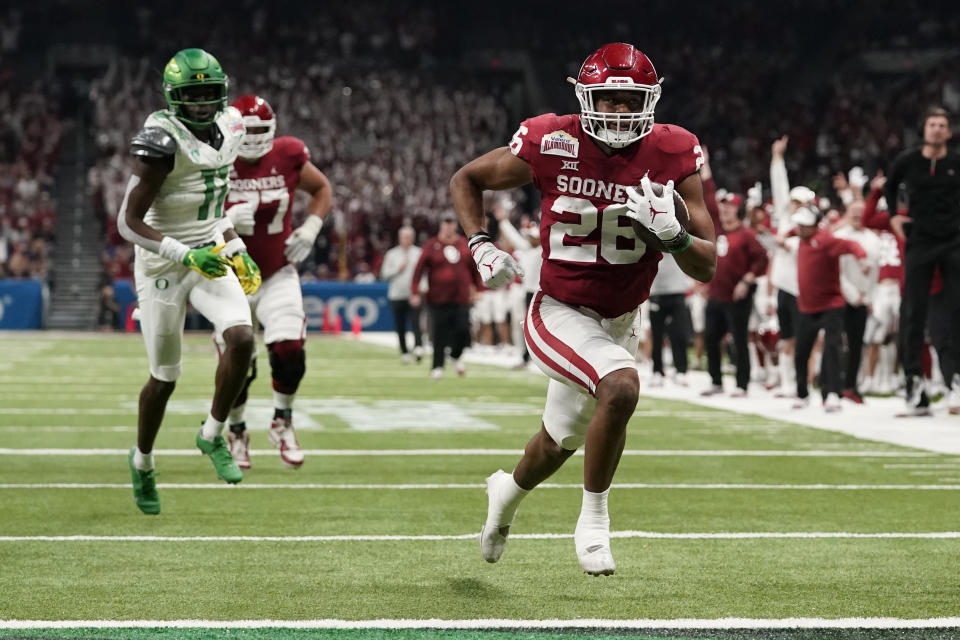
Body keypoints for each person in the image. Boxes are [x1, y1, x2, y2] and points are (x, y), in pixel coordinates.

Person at [450, 43, 716, 575]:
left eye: (629, 100)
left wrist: (676, 236)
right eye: (609, 99)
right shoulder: (551, 138)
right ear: (586, 96)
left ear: (649, 100)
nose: (618, 111)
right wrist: (480, 245)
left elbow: (707, 264)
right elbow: (467, 179)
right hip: (559, 309)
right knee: (620, 386)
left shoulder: (675, 151)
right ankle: (594, 518)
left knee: (559, 441)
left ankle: (504, 495)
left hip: (621, 318)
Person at [117, 49, 261, 514]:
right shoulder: (162, 139)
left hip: (209, 252)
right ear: (173, 98)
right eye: (191, 95)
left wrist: (235, 248)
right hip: (163, 262)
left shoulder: (233, 126)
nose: (200, 103)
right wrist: (185, 254)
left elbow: (213, 205)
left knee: (241, 338)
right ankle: (142, 462)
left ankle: (212, 434)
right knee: (164, 379)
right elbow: (128, 222)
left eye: (207, 94)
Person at [216, 94, 332, 470]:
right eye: (244, 131)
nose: (251, 139)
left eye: (259, 131)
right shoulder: (213, 158)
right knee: (238, 362)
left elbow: (321, 189)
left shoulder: (288, 154)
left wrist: (311, 227)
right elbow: (192, 216)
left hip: (276, 270)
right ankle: (236, 430)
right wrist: (227, 220)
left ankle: (282, 421)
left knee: (289, 351)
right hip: (229, 275)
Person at [884, 107, 960, 415]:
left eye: (942, 125)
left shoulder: (957, 161)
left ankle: (954, 382)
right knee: (912, 313)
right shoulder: (908, 160)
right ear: (924, 129)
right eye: (932, 124)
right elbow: (888, 188)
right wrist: (893, 218)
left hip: (955, 242)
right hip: (920, 242)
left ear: (949, 132)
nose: (937, 129)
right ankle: (915, 386)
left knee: (956, 312)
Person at [789, 207, 868, 411]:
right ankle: (802, 393)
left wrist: (862, 259)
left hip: (831, 305)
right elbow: (789, 231)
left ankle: (833, 393)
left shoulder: (827, 241)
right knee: (801, 353)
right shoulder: (802, 238)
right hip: (807, 307)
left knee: (832, 349)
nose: (799, 227)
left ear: (814, 225)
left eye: (803, 224)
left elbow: (852, 245)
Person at [700, 192, 769, 397]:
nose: (725, 209)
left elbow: (762, 259)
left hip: (737, 297)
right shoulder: (718, 232)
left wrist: (747, 280)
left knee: (739, 340)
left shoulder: (747, 234)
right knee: (711, 338)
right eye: (723, 206)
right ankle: (716, 381)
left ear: (738, 210)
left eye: (730, 206)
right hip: (716, 294)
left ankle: (742, 384)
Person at [768, 136, 816, 398]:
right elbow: (778, 187)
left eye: (800, 202)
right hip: (784, 287)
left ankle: (803, 383)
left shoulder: (812, 228)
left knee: (803, 340)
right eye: (794, 201)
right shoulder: (786, 220)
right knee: (786, 338)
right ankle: (787, 384)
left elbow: (815, 247)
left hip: (803, 290)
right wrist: (777, 158)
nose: (794, 205)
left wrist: (790, 245)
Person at [410, 212, 481, 379]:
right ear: (441, 225)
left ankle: (455, 356)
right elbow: (419, 270)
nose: (449, 227)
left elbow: (473, 268)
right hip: (437, 298)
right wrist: (414, 291)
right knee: (439, 334)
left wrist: (477, 289)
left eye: (451, 223)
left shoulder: (464, 244)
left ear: (456, 225)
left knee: (464, 331)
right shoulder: (431, 245)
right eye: (446, 223)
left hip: (461, 297)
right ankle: (437, 366)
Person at [832, 200, 879, 404]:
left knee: (857, 344)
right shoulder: (840, 236)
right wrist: (851, 294)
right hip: (840, 296)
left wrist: (869, 296)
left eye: (862, 211)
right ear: (847, 213)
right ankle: (833, 384)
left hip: (862, 298)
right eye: (854, 211)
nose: (858, 215)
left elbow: (875, 271)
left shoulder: (872, 239)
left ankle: (851, 385)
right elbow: (836, 271)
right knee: (835, 343)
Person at [381, 225, 424, 363]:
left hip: (414, 295)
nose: (407, 239)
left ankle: (418, 347)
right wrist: (397, 269)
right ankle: (404, 351)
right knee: (400, 325)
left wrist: (419, 292)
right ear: (400, 238)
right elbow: (384, 275)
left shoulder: (419, 253)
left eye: (410, 237)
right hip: (397, 294)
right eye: (405, 236)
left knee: (416, 322)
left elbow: (424, 274)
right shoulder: (392, 254)